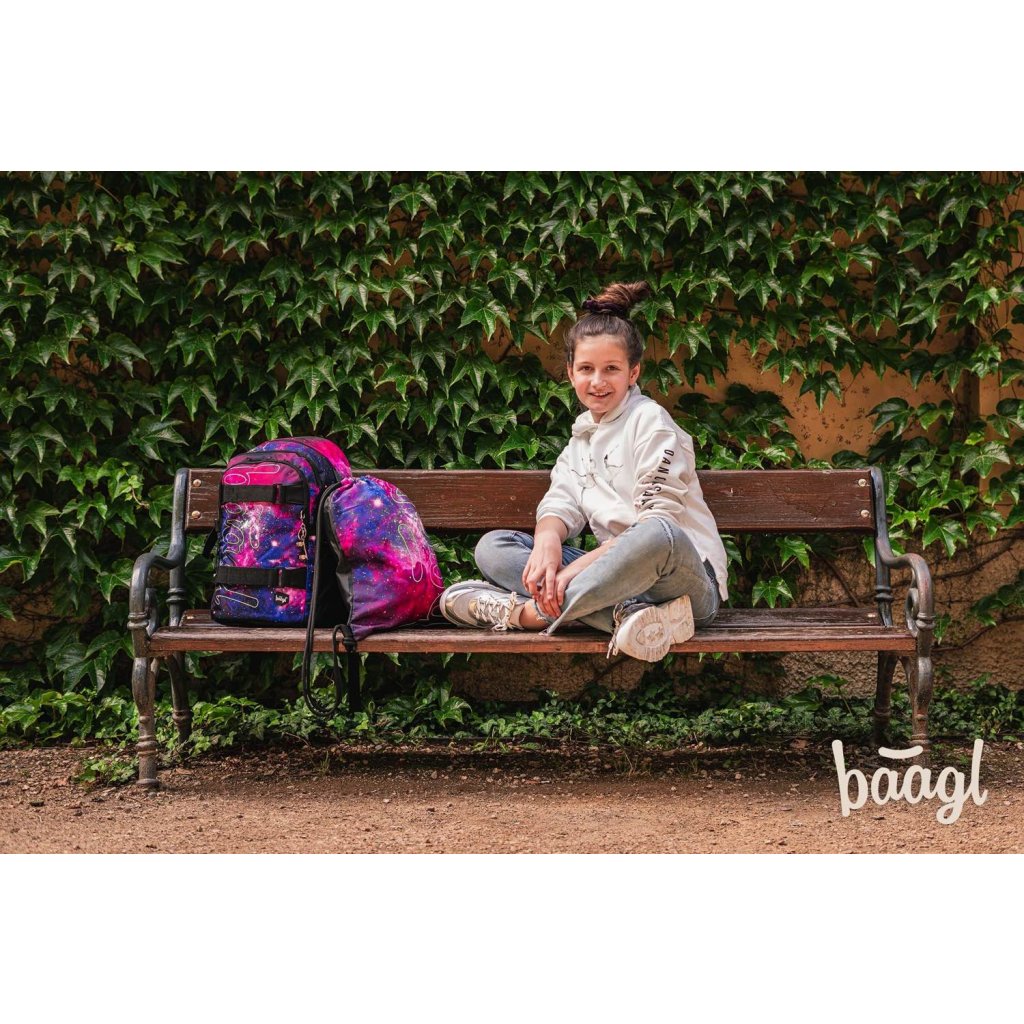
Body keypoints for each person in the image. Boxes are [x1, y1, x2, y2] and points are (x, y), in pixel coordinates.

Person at [439, 280, 728, 661]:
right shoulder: (580, 440)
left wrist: (568, 575)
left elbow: (657, 524)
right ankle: (629, 617)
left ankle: (526, 614)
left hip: (684, 585)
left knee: (658, 533)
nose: (597, 381)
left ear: (633, 372)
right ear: (570, 373)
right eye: (586, 369)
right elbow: (560, 502)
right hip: (618, 586)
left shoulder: (651, 422)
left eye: (611, 369)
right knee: (494, 547)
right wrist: (547, 541)